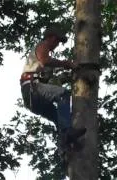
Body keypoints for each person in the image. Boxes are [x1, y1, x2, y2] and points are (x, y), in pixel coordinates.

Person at [20, 25, 86, 153]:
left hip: (32, 99)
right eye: (56, 40)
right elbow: (45, 60)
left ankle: (64, 146)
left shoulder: (41, 65)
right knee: (63, 94)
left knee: (59, 118)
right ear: (49, 38)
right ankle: (67, 133)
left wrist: (68, 75)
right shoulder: (42, 46)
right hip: (32, 88)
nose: (57, 44)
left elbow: (51, 80)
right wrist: (65, 63)